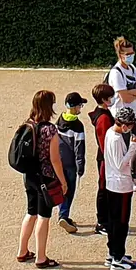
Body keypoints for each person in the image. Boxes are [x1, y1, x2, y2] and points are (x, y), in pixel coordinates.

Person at [17, 89, 69, 269]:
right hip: (45, 178)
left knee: (30, 212)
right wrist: (62, 181)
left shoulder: (27, 124)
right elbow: (55, 159)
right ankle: (41, 257)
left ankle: (22, 251)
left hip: (29, 175)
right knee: (43, 216)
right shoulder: (50, 129)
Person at [103, 105, 136, 270]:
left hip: (112, 183)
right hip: (121, 185)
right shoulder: (117, 139)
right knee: (121, 223)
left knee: (113, 221)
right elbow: (121, 164)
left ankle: (114, 253)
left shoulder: (110, 133)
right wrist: (133, 147)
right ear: (124, 125)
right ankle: (118, 258)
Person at [56, 91, 88, 234]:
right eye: (80, 105)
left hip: (58, 161)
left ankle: (64, 214)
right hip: (70, 164)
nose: (81, 108)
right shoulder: (77, 126)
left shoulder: (59, 120)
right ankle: (63, 215)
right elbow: (79, 149)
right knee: (69, 190)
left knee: (61, 187)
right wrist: (81, 167)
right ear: (75, 107)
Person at [88, 81, 116, 235]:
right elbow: (105, 141)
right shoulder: (103, 118)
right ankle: (102, 221)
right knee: (104, 188)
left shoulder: (103, 113)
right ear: (105, 99)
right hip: (106, 157)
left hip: (105, 156)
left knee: (105, 188)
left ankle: (105, 219)